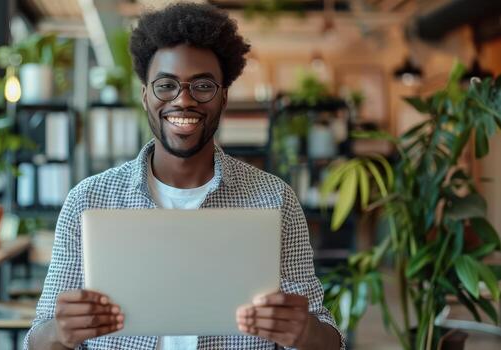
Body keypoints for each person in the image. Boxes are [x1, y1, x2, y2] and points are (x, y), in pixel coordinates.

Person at [25, 3, 343, 350]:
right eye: (166, 85)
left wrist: (306, 332)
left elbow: (328, 341)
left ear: (223, 98)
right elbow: (37, 341)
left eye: (203, 86)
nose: (184, 100)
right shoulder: (88, 200)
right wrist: (60, 332)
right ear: (145, 97)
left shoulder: (274, 199)